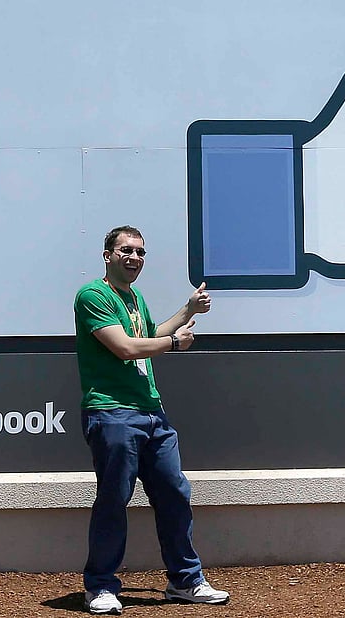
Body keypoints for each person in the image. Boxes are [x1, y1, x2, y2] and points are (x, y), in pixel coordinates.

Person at [75, 225, 229, 614]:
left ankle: (185, 581)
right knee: (114, 500)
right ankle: (100, 586)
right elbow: (126, 348)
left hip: (151, 413)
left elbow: (148, 334)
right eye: (126, 250)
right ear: (107, 255)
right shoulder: (93, 295)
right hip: (112, 413)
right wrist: (175, 344)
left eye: (141, 252)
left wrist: (186, 312)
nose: (134, 258)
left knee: (175, 493)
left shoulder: (134, 297)